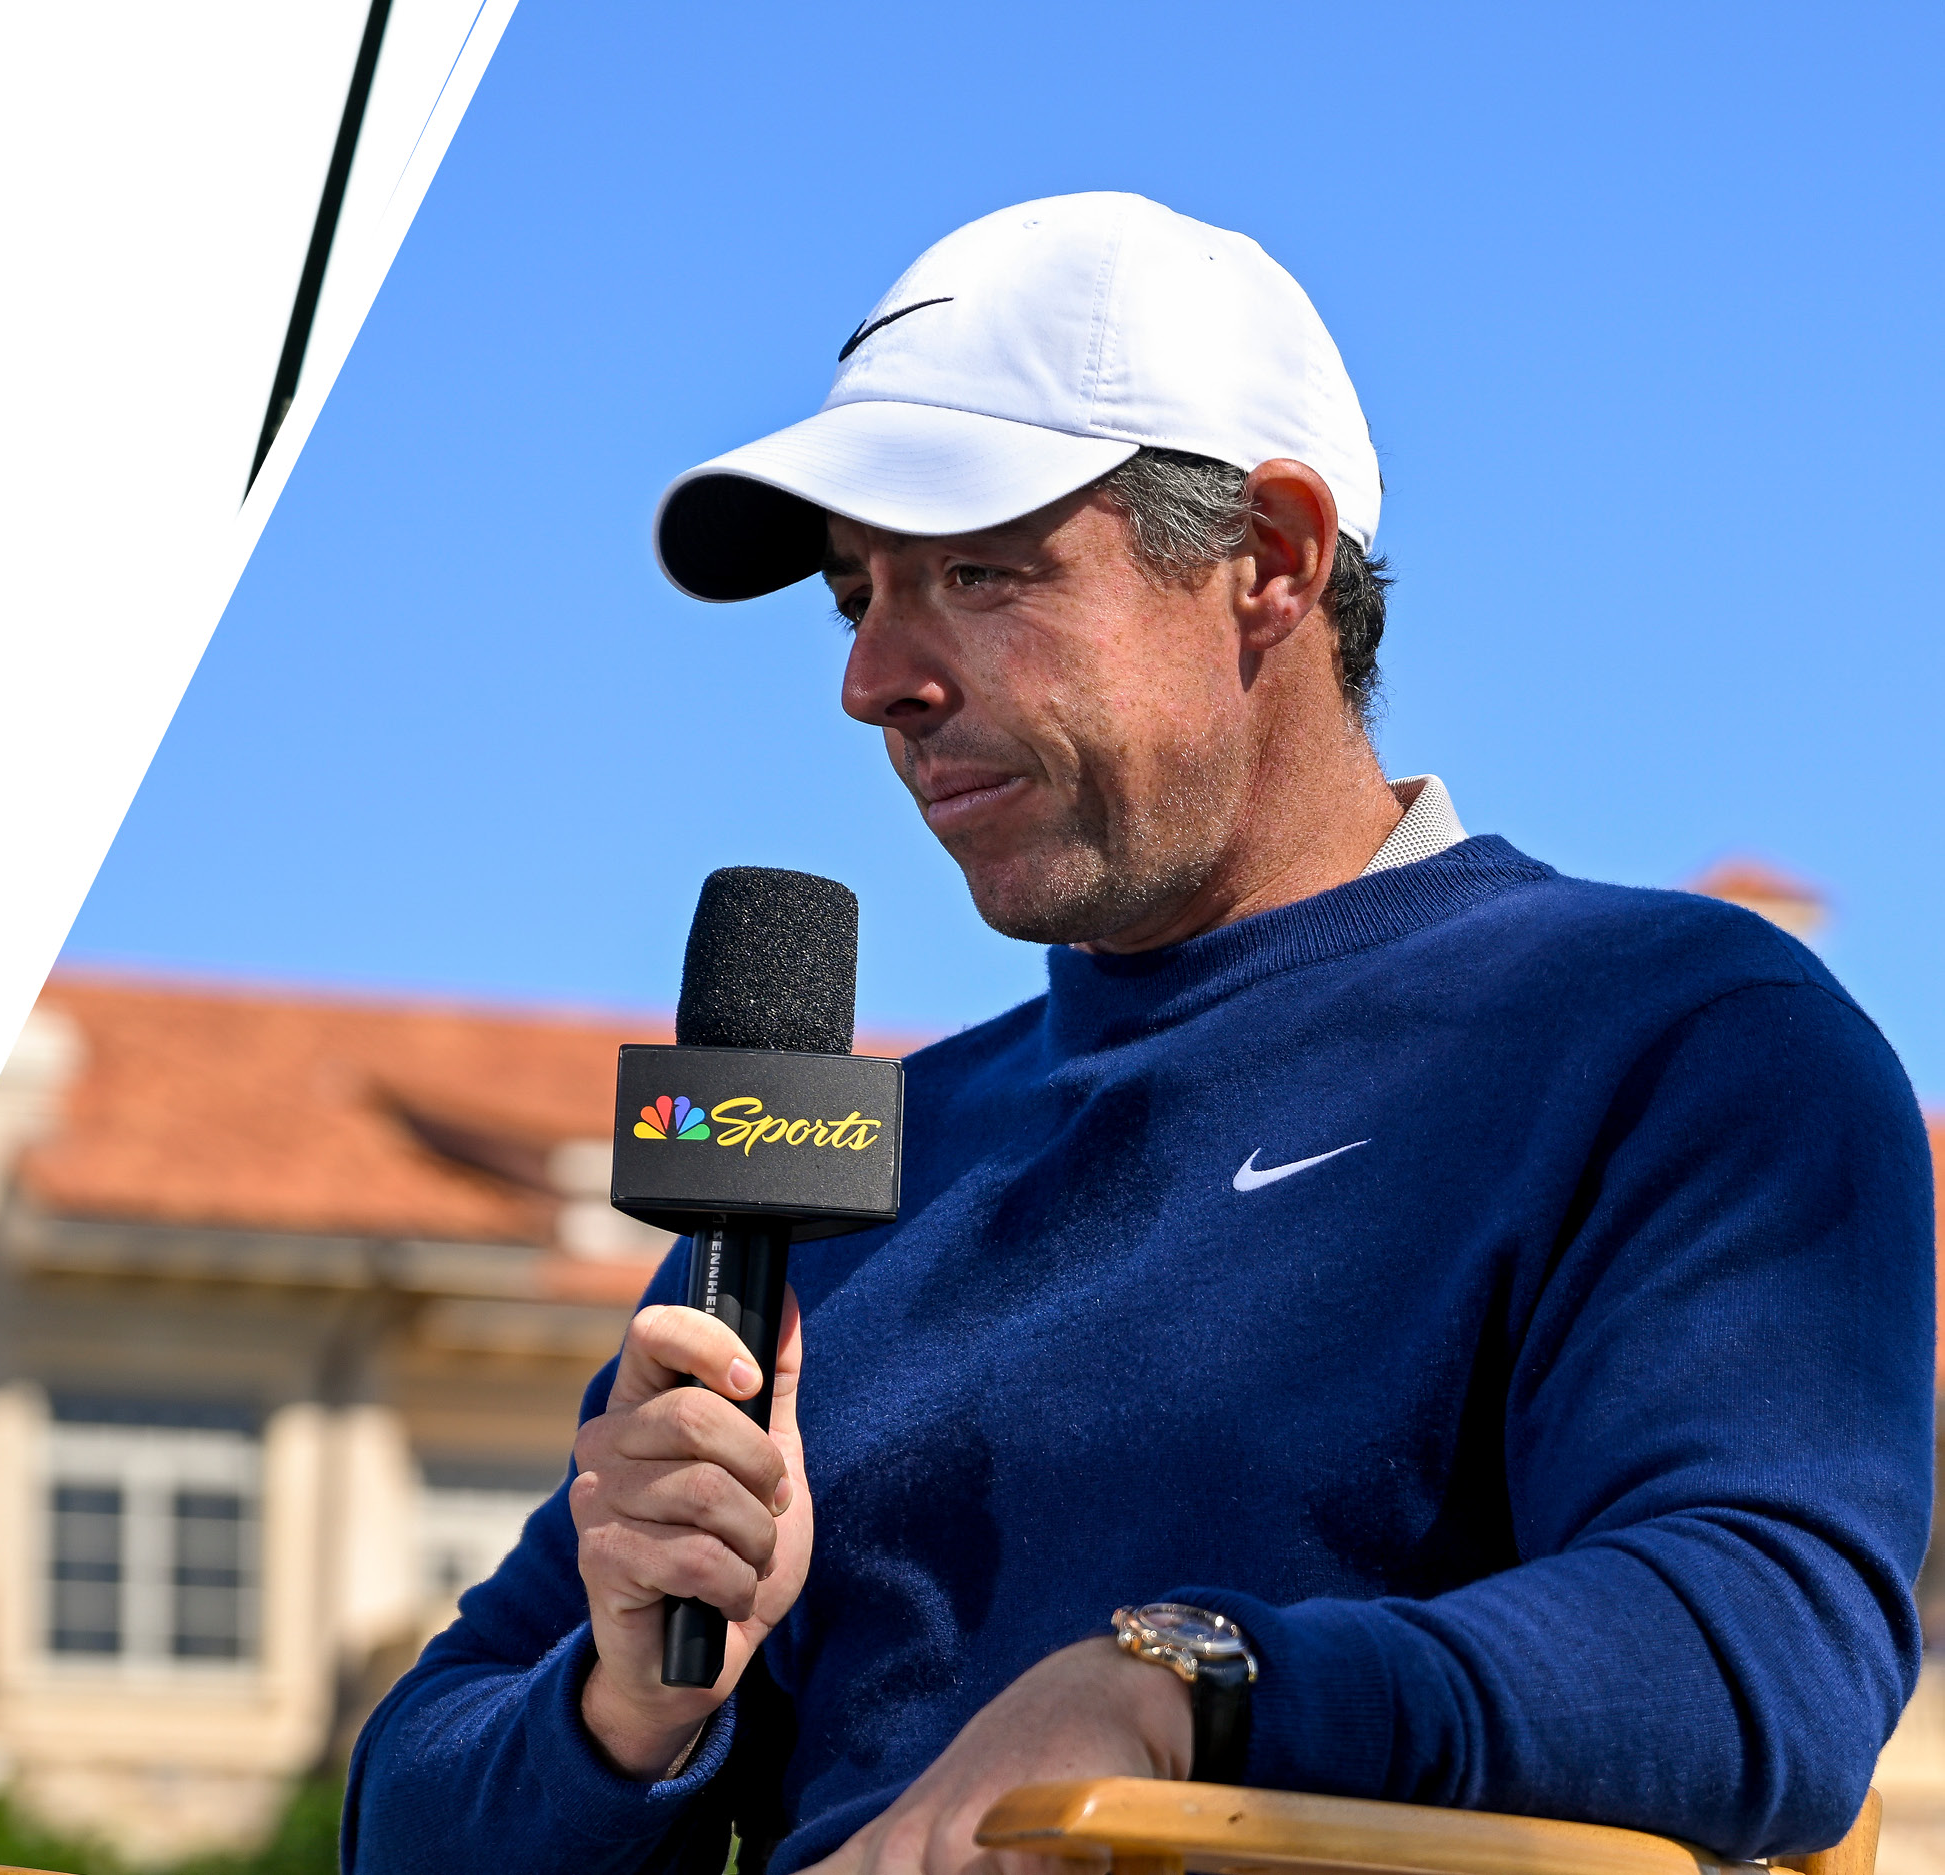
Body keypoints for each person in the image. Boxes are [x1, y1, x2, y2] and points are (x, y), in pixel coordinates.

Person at [346, 193, 1934, 1875]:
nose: (871, 675)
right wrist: (625, 1705)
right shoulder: (834, 1168)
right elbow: (405, 1811)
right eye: (851, 593)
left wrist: (1183, 1690)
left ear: (1268, 563)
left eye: (978, 572)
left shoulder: (1666, 1035)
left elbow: (1768, 1648)